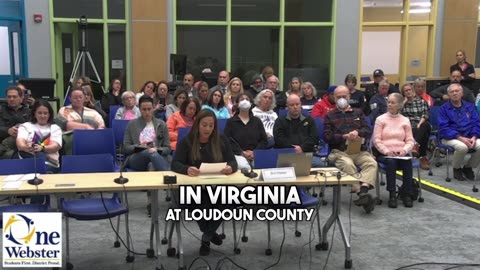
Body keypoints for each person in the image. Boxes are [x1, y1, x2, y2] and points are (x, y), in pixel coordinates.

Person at [172, 109, 237, 256]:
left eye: (211, 125)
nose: (207, 129)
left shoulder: (221, 139)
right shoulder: (187, 141)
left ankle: (207, 235)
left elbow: (233, 161)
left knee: (229, 200)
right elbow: (175, 164)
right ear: (197, 125)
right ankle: (209, 235)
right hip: (194, 188)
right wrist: (186, 168)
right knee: (200, 203)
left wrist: (230, 167)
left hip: (217, 185)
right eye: (204, 125)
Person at [324, 85, 377, 213]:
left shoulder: (358, 112)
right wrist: (343, 136)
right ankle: (361, 193)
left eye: (344, 96)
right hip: (340, 152)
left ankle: (363, 191)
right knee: (348, 164)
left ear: (349, 97)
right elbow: (327, 137)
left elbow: (368, 131)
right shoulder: (329, 116)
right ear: (334, 98)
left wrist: (357, 132)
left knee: (372, 163)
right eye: (339, 97)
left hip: (358, 150)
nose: (342, 99)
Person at [373, 93, 415, 208]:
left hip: (401, 153)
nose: (389, 105)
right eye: (389, 102)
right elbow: (376, 140)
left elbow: (410, 140)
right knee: (391, 162)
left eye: (393, 102)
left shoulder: (405, 120)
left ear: (400, 105)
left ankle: (406, 193)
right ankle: (392, 194)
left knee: (407, 162)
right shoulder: (380, 119)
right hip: (385, 153)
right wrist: (386, 151)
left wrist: (404, 150)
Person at [438, 84, 480, 181]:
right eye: (452, 92)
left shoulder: (470, 106)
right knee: (462, 147)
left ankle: (468, 167)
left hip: (470, 136)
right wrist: (460, 138)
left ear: (462, 93)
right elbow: (444, 128)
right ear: (448, 95)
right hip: (450, 137)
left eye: (457, 91)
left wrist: (474, 136)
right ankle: (456, 168)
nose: (455, 93)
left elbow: (477, 122)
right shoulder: (443, 109)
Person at [123, 95, 171, 171]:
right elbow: (126, 148)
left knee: (151, 165)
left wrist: (157, 149)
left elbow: (168, 148)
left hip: (156, 156)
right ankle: (169, 175)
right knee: (150, 152)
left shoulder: (161, 124)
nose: (147, 112)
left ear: (153, 107)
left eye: (149, 109)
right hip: (136, 158)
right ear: (139, 109)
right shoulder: (132, 124)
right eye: (144, 109)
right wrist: (139, 146)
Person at [273, 94, 321, 167]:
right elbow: (279, 139)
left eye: (297, 104)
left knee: (319, 164)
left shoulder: (309, 120)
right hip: (286, 154)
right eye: (292, 105)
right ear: (287, 106)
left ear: (300, 105)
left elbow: (314, 138)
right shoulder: (280, 121)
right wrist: (293, 149)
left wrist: (302, 148)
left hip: (305, 153)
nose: (295, 107)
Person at [224, 93, 268, 170]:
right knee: (244, 167)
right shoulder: (231, 122)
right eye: (242, 99)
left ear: (251, 103)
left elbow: (264, 140)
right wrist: (241, 153)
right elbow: (227, 140)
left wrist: (255, 152)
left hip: (256, 154)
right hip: (238, 155)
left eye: (247, 99)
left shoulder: (257, 121)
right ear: (237, 104)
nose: (244, 101)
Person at [16, 100, 62, 173]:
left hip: (51, 164)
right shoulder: (26, 126)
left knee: (40, 155)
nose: (42, 116)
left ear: (49, 114)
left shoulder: (55, 128)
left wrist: (42, 148)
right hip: (29, 161)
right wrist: (27, 147)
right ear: (34, 114)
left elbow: (55, 146)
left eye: (45, 113)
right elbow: (20, 144)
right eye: (39, 113)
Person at [400, 83, 431, 170]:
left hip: (421, 124)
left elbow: (425, 115)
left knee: (425, 126)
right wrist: (403, 103)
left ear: (413, 91)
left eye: (409, 90)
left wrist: (419, 124)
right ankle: (423, 156)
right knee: (423, 134)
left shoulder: (421, 101)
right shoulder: (402, 104)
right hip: (408, 126)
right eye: (406, 91)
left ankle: (414, 145)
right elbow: (396, 115)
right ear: (403, 93)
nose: (408, 92)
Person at [0, 86, 31, 159]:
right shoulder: (1, 111)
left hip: (24, 143)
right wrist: (7, 131)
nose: (11, 99)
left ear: (21, 98)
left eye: (14, 97)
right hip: (4, 143)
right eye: (9, 97)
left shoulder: (29, 112)